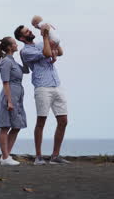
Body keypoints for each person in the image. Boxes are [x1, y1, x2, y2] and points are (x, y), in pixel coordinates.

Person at [14, 24, 70, 165]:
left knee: (63, 121)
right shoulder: (25, 51)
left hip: (56, 84)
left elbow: (60, 50)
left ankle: (55, 156)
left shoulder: (40, 43)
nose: (30, 31)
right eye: (27, 31)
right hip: (42, 87)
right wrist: (45, 37)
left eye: (29, 29)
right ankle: (38, 157)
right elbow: (46, 53)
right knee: (41, 122)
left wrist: (50, 31)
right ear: (22, 38)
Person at [0, 36, 29, 166]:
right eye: (14, 43)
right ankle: (5, 156)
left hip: (18, 96)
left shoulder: (13, 61)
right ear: (9, 47)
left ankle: (5, 156)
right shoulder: (6, 62)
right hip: (9, 95)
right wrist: (9, 101)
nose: (16, 44)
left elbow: (25, 70)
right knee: (5, 126)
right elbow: (5, 82)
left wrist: (23, 57)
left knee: (17, 125)